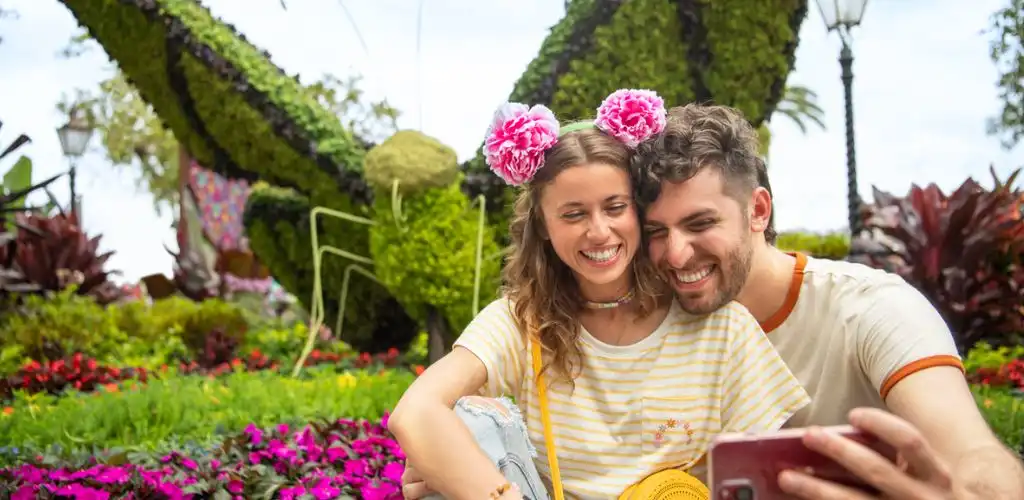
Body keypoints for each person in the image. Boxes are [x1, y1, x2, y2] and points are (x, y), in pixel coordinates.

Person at [387, 90, 811, 500]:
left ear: (639, 210)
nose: (598, 231)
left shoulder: (722, 328)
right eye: (573, 214)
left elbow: (767, 476)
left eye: (614, 207)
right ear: (544, 227)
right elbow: (416, 411)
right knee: (464, 433)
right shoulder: (521, 320)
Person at [629, 102, 1024, 499]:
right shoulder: (648, 325)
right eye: (657, 231)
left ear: (758, 210)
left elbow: (974, 455)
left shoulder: (873, 308)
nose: (675, 254)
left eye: (700, 223)